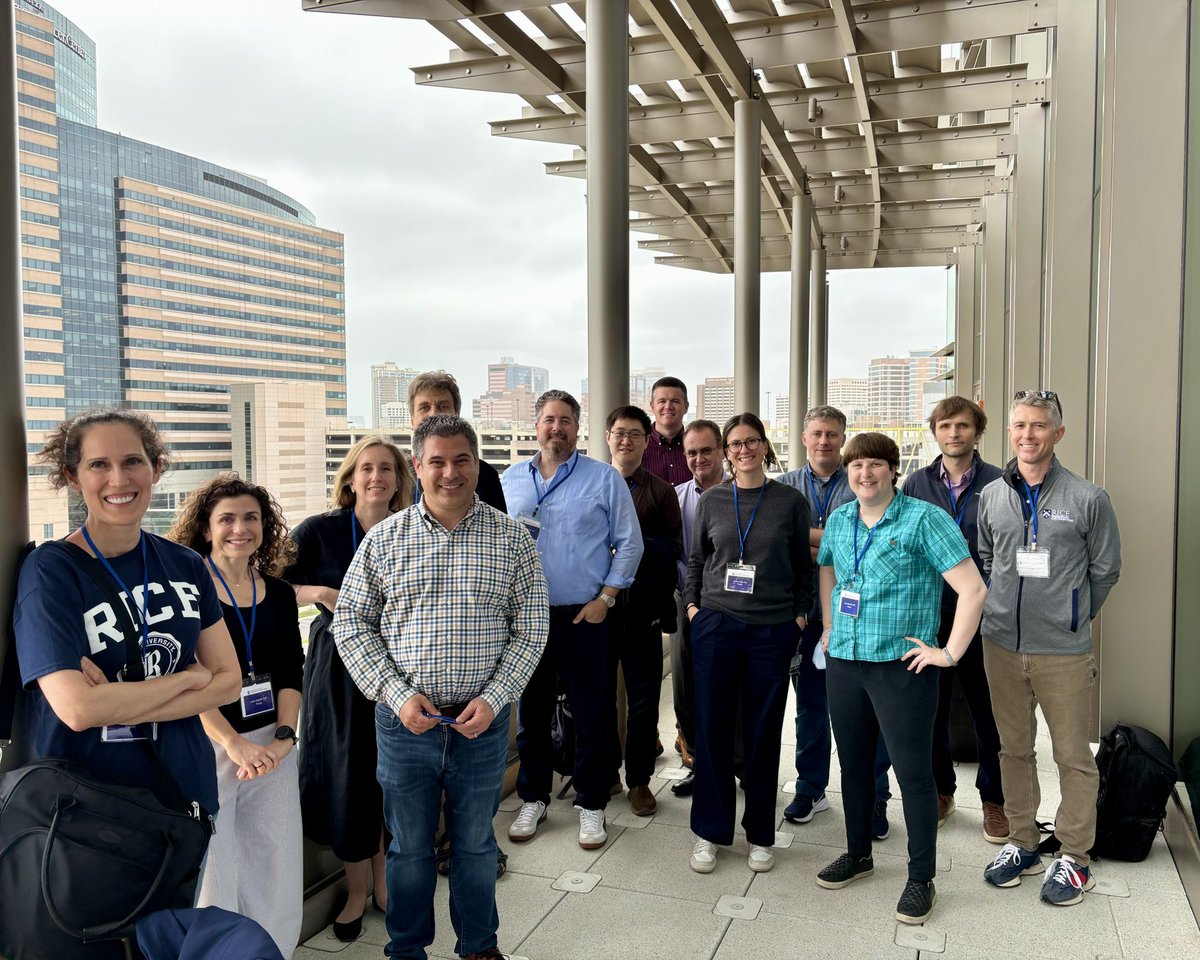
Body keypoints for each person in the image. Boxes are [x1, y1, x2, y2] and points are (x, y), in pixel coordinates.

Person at [333, 415, 548, 960]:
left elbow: (532, 629)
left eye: (461, 460)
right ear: (418, 467)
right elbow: (351, 623)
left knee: (475, 843)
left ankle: (479, 946)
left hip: (482, 720)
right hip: (405, 723)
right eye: (437, 461)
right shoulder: (383, 541)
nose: (449, 472)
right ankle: (406, 949)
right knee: (407, 849)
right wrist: (395, 693)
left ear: (477, 465)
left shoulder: (512, 539)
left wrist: (496, 696)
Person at [14, 408, 241, 848]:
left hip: (182, 793)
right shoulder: (51, 571)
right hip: (89, 807)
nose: (119, 480)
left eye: (133, 461)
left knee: (176, 918)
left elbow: (229, 682)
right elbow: (78, 710)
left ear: (156, 469)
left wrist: (115, 702)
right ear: (74, 477)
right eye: (99, 465)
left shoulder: (186, 564)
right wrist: (190, 680)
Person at [813, 432, 986, 926]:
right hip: (845, 663)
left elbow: (972, 590)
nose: (863, 474)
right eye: (855, 466)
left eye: (873, 465)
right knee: (853, 766)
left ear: (893, 469)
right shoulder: (843, 518)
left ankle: (921, 878)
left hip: (902, 668)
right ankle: (858, 853)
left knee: (913, 775)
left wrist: (948, 653)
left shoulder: (925, 519)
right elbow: (828, 571)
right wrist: (829, 624)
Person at [978, 391, 1121, 906]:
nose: (1027, 435)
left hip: (1062, 651)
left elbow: (1105, 569)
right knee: (1013, 749)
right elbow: (988, 556)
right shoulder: (993, 495)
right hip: (1000, 645)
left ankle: (1076, 855)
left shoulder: (1088, 498)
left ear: (1058, 434)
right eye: (1019, 426)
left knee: (1071, 756)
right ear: (1009, 431)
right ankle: (1022, 841)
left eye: (1039, 426)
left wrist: (1072, 615)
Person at [167, 475, 305, 959]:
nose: (239, 528)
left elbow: (292, 670)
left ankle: (272, 951)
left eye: (251, 518)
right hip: (210, 744)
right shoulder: (187, 592)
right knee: (216, 867)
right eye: (226, 519)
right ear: (206, 529)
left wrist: (283, 738)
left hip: (271, 744)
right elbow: (189, 677)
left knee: (276, 859)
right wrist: (232, 743)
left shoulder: (281, 594)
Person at [283, 435, 415, 941]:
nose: (377, 476)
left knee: (389, 776)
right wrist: (320, 591)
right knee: (347, 777)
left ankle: (386, 884)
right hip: (337, 669)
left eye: (387, 468)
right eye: (367, 468)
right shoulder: (321, 530)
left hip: (398, 666)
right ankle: (357, 891)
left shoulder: (410, 529)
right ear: (351, 477)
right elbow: (266, 581)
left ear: (400, 478)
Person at [501, 389, 642, 850]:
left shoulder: (603, 479)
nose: (556, 428)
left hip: (586, 615)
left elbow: (630, 543)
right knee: (532, 713)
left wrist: (606, 597)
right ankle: (533, 797)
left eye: (565, 420)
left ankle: (592, 803)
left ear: (577, 428)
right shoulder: (509, 481)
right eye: (548, 419)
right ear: (536, 425)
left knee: (592, 713)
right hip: (527, 619)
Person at [684, 413, 812, 874]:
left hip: (771, 630)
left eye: (751, 441)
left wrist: (798, 616)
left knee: (762, 732)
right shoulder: (712, 500)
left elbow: (803, 568)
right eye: (734, 443)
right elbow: (698, 559)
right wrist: (695, 611)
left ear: (764, 446)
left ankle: (760, 833)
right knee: (713, 731)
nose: (743, 450)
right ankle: (709, 833)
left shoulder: (790, 502)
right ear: (725, 450)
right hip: (716, 626)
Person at [407, 369, 508, 878]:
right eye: (425, 407)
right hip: (406, 694)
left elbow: (520, 608)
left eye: (443, 405)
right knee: (408, 835)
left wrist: (494, 695)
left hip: (479, 696)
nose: (449, 473)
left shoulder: (489, 500)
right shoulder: (391, 520)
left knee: (474, 827)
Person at [777, 405, 891, 835]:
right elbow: (782, 542)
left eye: (832, 434)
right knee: (810, 706)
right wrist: (832, 541)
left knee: (869, 710)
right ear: (804, 438)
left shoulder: (863, 480)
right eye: (817, 434)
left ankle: (876, 798)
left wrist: (808, 541)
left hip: (858, 616)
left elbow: (871, 534)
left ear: (843, 439)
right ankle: (810, 788)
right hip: (802, 615)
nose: (824, 441)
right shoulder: (783, 487)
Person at [902, 396, 1007, 843]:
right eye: (945, 426)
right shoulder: (914, 484)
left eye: (962, 426)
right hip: (931, 615)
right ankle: (942, 791)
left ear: (977, 431)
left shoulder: (1001, 483)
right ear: (935, 432)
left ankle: (994, 800)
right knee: (932, 710)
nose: (953, 434)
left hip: (984, 616)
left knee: (988, 713)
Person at [604, 405, 682, 816]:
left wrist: (631, 549)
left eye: (635, 433)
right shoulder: (593, 485)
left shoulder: (661, 490)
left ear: (646, 439)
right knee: (597, 697)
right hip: (598, 610)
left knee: (644, 700)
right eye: (619, 432)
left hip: (644, 611)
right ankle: (604, 774)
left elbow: (673, 548)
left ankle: (638, 780)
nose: (626, 440)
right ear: (607, 437)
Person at [668, 419, 725, 798]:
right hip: (684, 602)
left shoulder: (744, 493)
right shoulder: (674, 497)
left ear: (722, 450)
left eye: (707, 450)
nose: (699, 458)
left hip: (732, 603)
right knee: (686, 689)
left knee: (729, 688)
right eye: (692, 452)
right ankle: (698, 763)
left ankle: (734, 765)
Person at [408, 370, 506, 511]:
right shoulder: (396, 474)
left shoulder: (485, 475)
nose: (434, 413)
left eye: (443, 406)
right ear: (412, 420)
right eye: (424, 407)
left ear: (457, 415)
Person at [641, 375, 692, 486]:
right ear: (652, 406)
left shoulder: (695, 446)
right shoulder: (637, 444)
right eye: (662, 401)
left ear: (686, 407)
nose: (668, 406)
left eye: (675, 401)